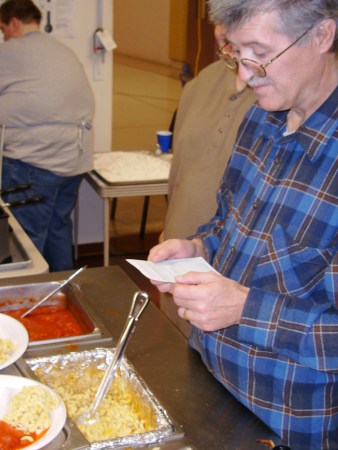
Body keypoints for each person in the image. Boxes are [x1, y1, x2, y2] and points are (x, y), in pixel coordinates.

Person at [149, 0, 337, 448]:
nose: (245, 74)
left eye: (260, 53)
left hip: (288, 424)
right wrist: (198, 248)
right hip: (209, 383)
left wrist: (243, 309)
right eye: (235, 52)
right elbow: (228, 223)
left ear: (322, 36)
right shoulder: (260, 118)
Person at [0, 0, 95, 272]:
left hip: (35, 162)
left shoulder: (11, 51)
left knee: (25, 239)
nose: (3, 36)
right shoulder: (61, 50)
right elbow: (44, 102)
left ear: (13, 22)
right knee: (57, 227)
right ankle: (64, 288)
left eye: (2, 29)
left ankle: (26, 294)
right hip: (73, 161)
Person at [159, 26, 256, 335]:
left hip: (239, 280)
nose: (225, 30)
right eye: (220, 20)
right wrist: (169, 227)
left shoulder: (282, 92)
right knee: (175, 349)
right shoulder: (202, 83)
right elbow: (181, 167)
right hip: (183, 256)